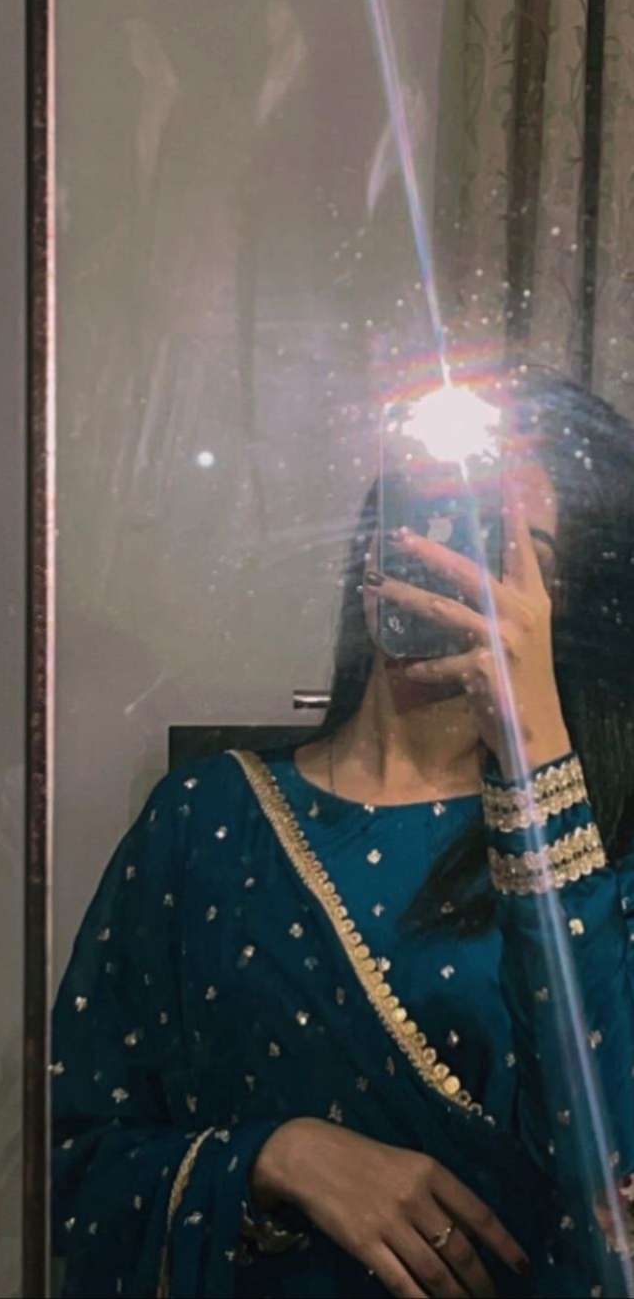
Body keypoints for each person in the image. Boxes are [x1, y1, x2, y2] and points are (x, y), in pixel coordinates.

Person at [52, 371, 634, 1298]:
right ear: (372, 545)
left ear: (563, 600)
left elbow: (606, 1176)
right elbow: (73, 1166)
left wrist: (534, 750)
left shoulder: (605, 849)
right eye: (428, 519)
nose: (450, 559)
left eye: (505, 548)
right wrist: (277, 1157)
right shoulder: (206, 819)